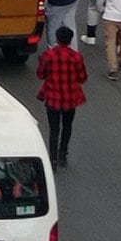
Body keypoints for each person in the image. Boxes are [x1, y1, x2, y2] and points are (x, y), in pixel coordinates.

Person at [35, 27, 87, 168]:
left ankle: (52, 159)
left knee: (54, 129)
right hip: (71, 98)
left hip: (53, 97)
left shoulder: (48, 56)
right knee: (67, 126)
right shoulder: (77, 57)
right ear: (70, 40)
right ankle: (63, 153)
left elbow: (41, 74)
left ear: (57, 39)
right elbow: (82, 78)